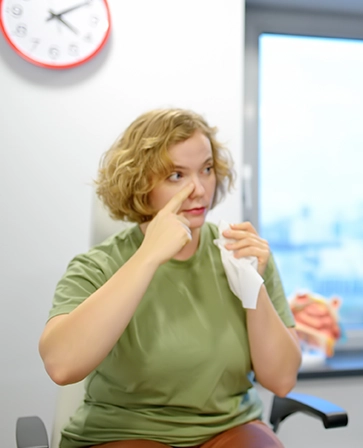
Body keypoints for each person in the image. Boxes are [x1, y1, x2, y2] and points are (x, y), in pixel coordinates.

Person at [38, 108, 302, 448]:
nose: (199, 190)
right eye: (176, 175)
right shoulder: (97, 265)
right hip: (124, 433)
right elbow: (62, 366)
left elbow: (281, 380)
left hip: (229, 429)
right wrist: (148, 256)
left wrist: (253, 287)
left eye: (207, 170)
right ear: (139, 183)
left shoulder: (242, 253)